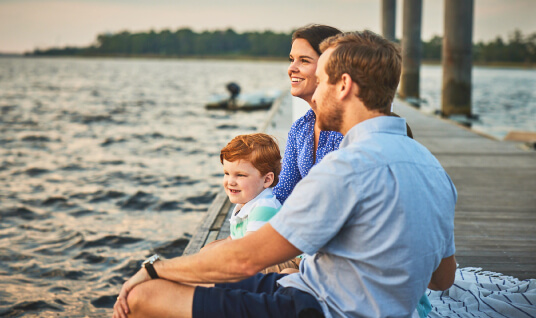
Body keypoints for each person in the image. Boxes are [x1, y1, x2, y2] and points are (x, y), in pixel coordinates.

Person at [113, 30, 457, 318]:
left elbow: (245, 260)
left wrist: (153, 267)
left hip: (320, 308)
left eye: (320, 81)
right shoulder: (432, 167)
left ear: (344, 86)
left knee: (146, 295)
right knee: (195, 281)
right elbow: (442, 279)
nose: (315, 92)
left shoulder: (346, 167)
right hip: (328, 291)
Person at [201, 133, 299, 274]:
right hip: (262, 258)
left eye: (240, 175)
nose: (230, 181)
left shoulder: (264, 207)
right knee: (207, 252)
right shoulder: (246, 204)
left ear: (266, 180)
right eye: (227, 173)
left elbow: (247, 251)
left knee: (224, 266)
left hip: (286, 261)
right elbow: (234, 240)